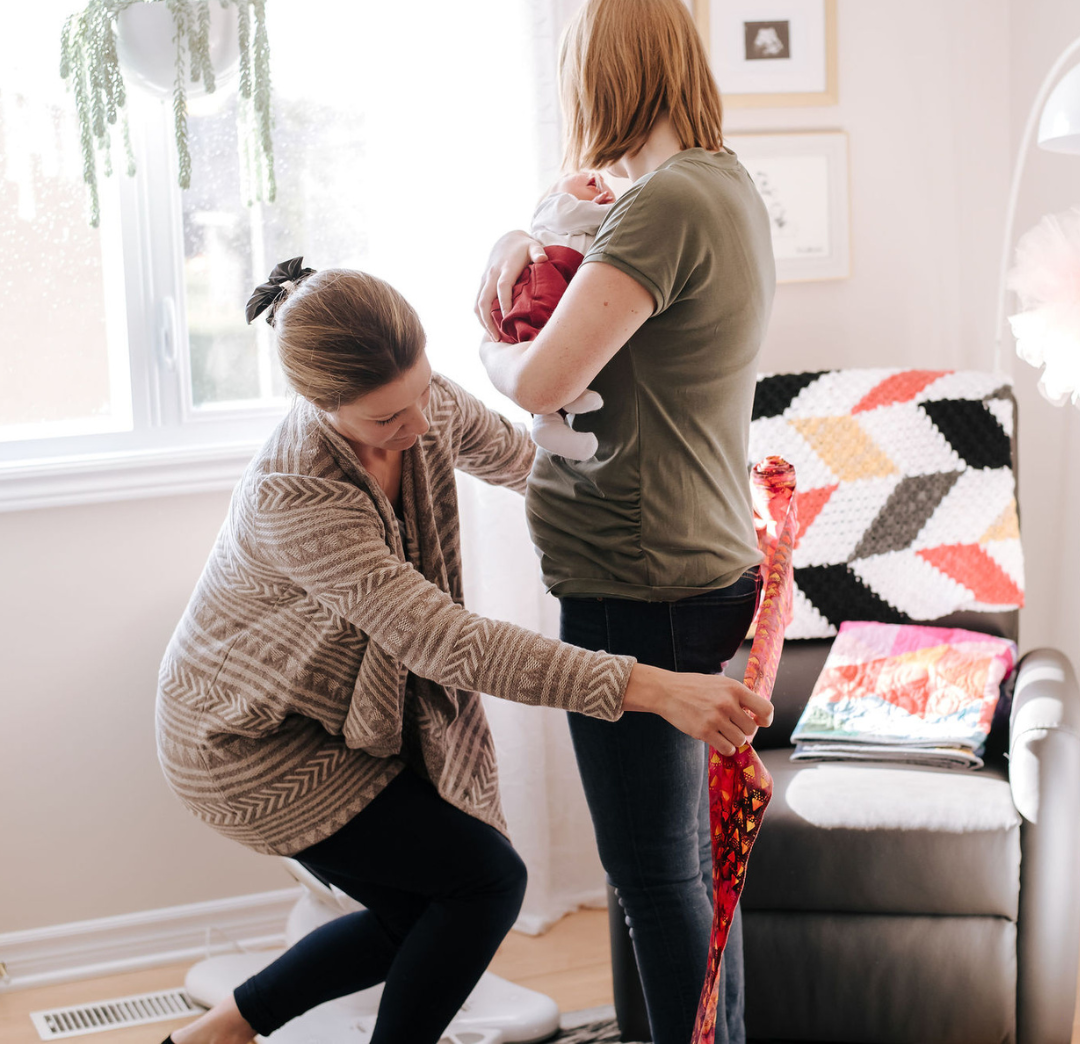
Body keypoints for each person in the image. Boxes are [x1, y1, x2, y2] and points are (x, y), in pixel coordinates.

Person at [156, 258, 773, 1044]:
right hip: (244, 742)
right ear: (321, 406)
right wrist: (654, 687)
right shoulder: (297, 494)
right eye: (388, 420)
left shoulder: (418, 400)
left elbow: (536, 469)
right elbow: (447, 641)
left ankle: (223, 1030)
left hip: (328, 723)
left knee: (428, 911)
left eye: (422, 394)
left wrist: (695, 512)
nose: (419, 426)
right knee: (484, 884)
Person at [474, 0, 775, 1044]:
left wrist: (488, 334)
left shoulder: (665, 206)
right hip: (691, 561)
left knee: (653, 879)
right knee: (690, 871)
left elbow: (539, 382)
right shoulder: (722, 186)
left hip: (636, 582)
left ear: (600, 78)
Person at [491, 169, 615, 461]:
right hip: (547, 272)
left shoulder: (590, 225)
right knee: (542, 327)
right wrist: (614, 206)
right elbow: (609, 218)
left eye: (605, 183)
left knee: (566, 337)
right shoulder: (556, 207)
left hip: (569, 278)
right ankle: (551, 412)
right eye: (579, 175)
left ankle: (557, 414)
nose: (596, 178)